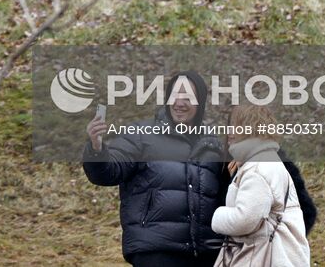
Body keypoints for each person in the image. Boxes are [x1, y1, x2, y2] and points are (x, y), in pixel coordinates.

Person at [83, 70, 226, 267]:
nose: (179, 103)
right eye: (175, 95)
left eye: (188, 97)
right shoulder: (141, 135)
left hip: (203, 256)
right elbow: (107, 172)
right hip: (155, 251)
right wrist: (97, 149)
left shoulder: (213, 146)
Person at [210, 103, 310, 266]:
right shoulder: (265, 160)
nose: (229, 133)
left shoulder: (257, 168)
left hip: (262, 258)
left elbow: (246, 219)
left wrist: (217, 216)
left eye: (235, 127)